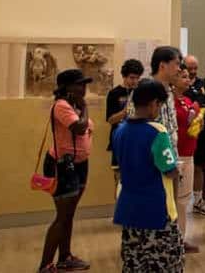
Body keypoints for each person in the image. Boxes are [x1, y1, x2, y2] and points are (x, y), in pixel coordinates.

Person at [113, 79, 184, 273]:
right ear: (154, 103)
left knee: (134, 263)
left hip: (128, 208)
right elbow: (168, 169)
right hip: (156, 209)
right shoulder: (157, 132)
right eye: (160, 105)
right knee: (165, 264)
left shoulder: (120, 130)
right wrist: (178, 170)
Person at [37, 70, 94, 273]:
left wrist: (82, 108)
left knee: (69, 215)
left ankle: (65, 257)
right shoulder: (62, 106)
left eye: (84, 83)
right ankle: (45, 265)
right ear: (67, 88)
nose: (84, 88)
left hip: (78, 165)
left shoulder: (75, 106)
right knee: (62, 216)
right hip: (63, 165)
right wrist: (86, 108)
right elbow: (79, 128)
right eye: (79, 84)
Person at [126, 46, 182, 156]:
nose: (179, 69)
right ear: (162, 66)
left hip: (169, 158)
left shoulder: (170, 92)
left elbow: (172, 129)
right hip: (149, 158)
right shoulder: (144, 90)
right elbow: (133, 127)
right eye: (176, 64)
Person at [172, 66, 201, 253]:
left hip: (189, 153)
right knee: (177, 200)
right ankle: (174, 239)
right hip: (177, 154)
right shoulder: (169, 102)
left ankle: (180, 238)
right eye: (183, 77)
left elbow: (192, 126)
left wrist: (198, 121)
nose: (188, 80)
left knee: (184, 199)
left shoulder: (189, 100)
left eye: (189, 77)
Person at [183, 54, 205, 216]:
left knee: (200, 166)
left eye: (195, 68)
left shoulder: (204, 85)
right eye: (189, 68)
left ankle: (198, 201)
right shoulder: (180, 85)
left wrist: (201, 113)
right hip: (184, 134)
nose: (193, 72)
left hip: (201, 132)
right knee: (183, 166)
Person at [106, 59, 143, 187]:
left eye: (137, 78)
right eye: (132, 78)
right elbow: (110, 120)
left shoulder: (140, 93)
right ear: (124, 76)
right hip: (119, 139)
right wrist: (124, 112)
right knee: (119, 178)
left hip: (137, 139)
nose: (135, 81)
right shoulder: (114, 93)